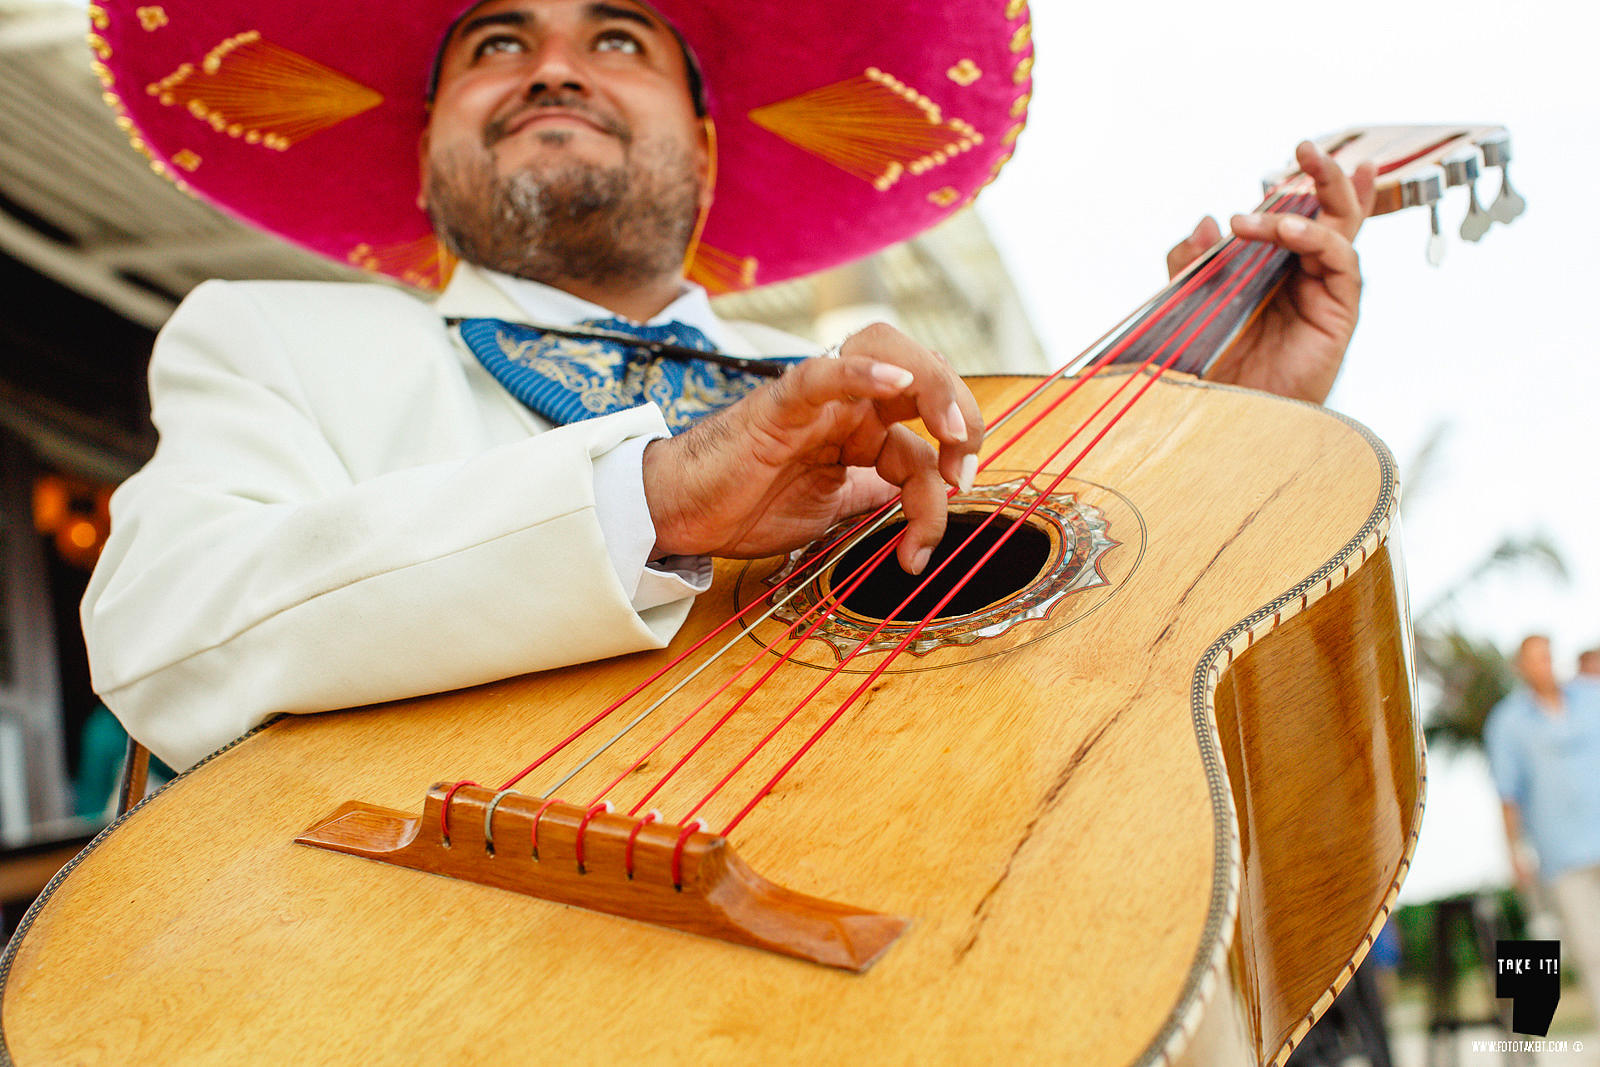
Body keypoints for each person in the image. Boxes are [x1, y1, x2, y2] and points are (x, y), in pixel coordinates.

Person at [81, 0, 1375, 773]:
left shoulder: (862, 413)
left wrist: (1229, 428)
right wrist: (655, 496)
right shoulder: (270, 337)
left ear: (703, 151)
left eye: (620, 37)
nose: (554, 64)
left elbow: (1096, 721)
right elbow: (159, 625)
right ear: (419, 155)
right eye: (496, 40)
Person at [1484, 634, 1600, 1024]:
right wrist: (1514, 853)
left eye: (1547, 657)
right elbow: (1506, 793)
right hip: (1562, 854)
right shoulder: (1506, 722)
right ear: (1521, 668)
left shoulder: (1591, 697)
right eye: (1533, 660)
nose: (1543, 666)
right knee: (1590, 949)